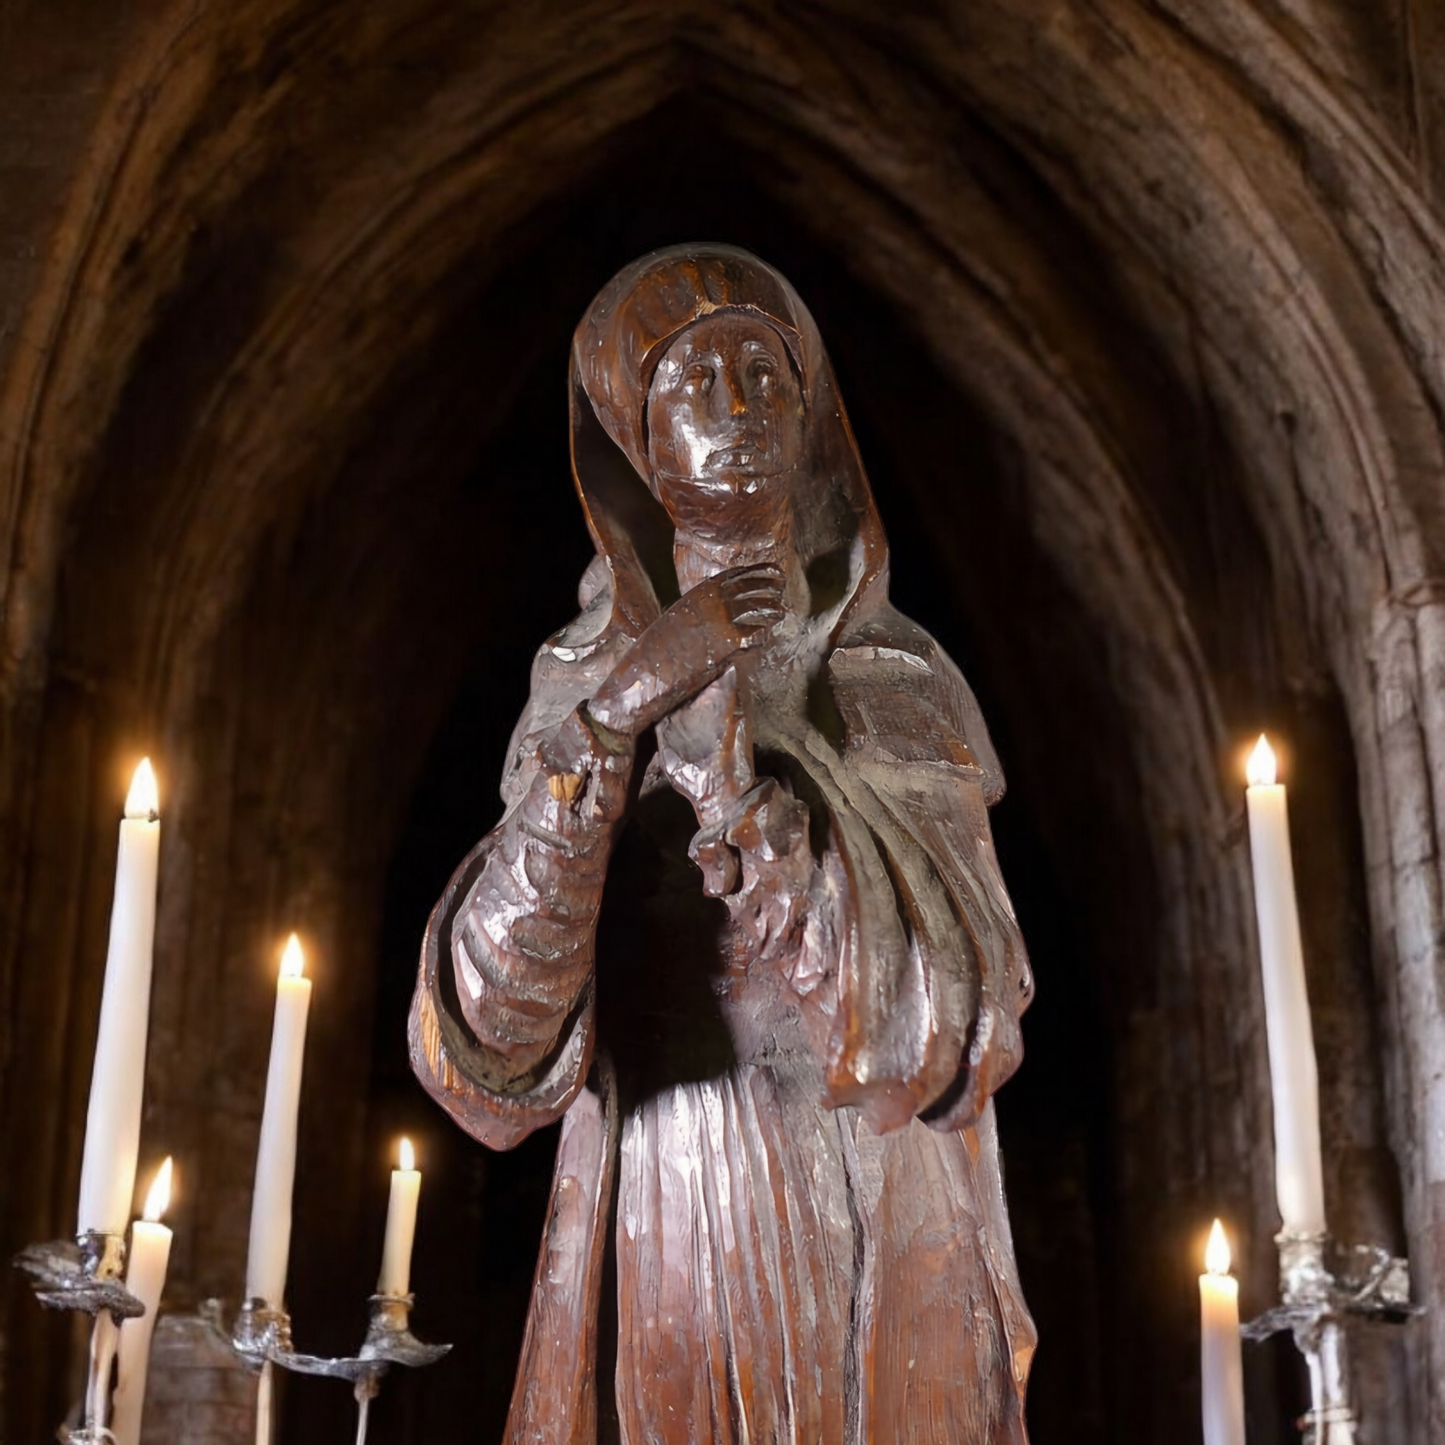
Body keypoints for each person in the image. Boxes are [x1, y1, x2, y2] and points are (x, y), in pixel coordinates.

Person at [410, 244, 1036, 1443]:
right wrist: (610, 724)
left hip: (876, 1183)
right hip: (672, 1184)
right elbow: (492, 1039)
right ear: (634, 435)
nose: (739, 409)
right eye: (695, 382)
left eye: (765, 373)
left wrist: (742, 795)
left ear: (812, 418)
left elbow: (956, 1014)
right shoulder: (577, 681)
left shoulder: (891, 673)